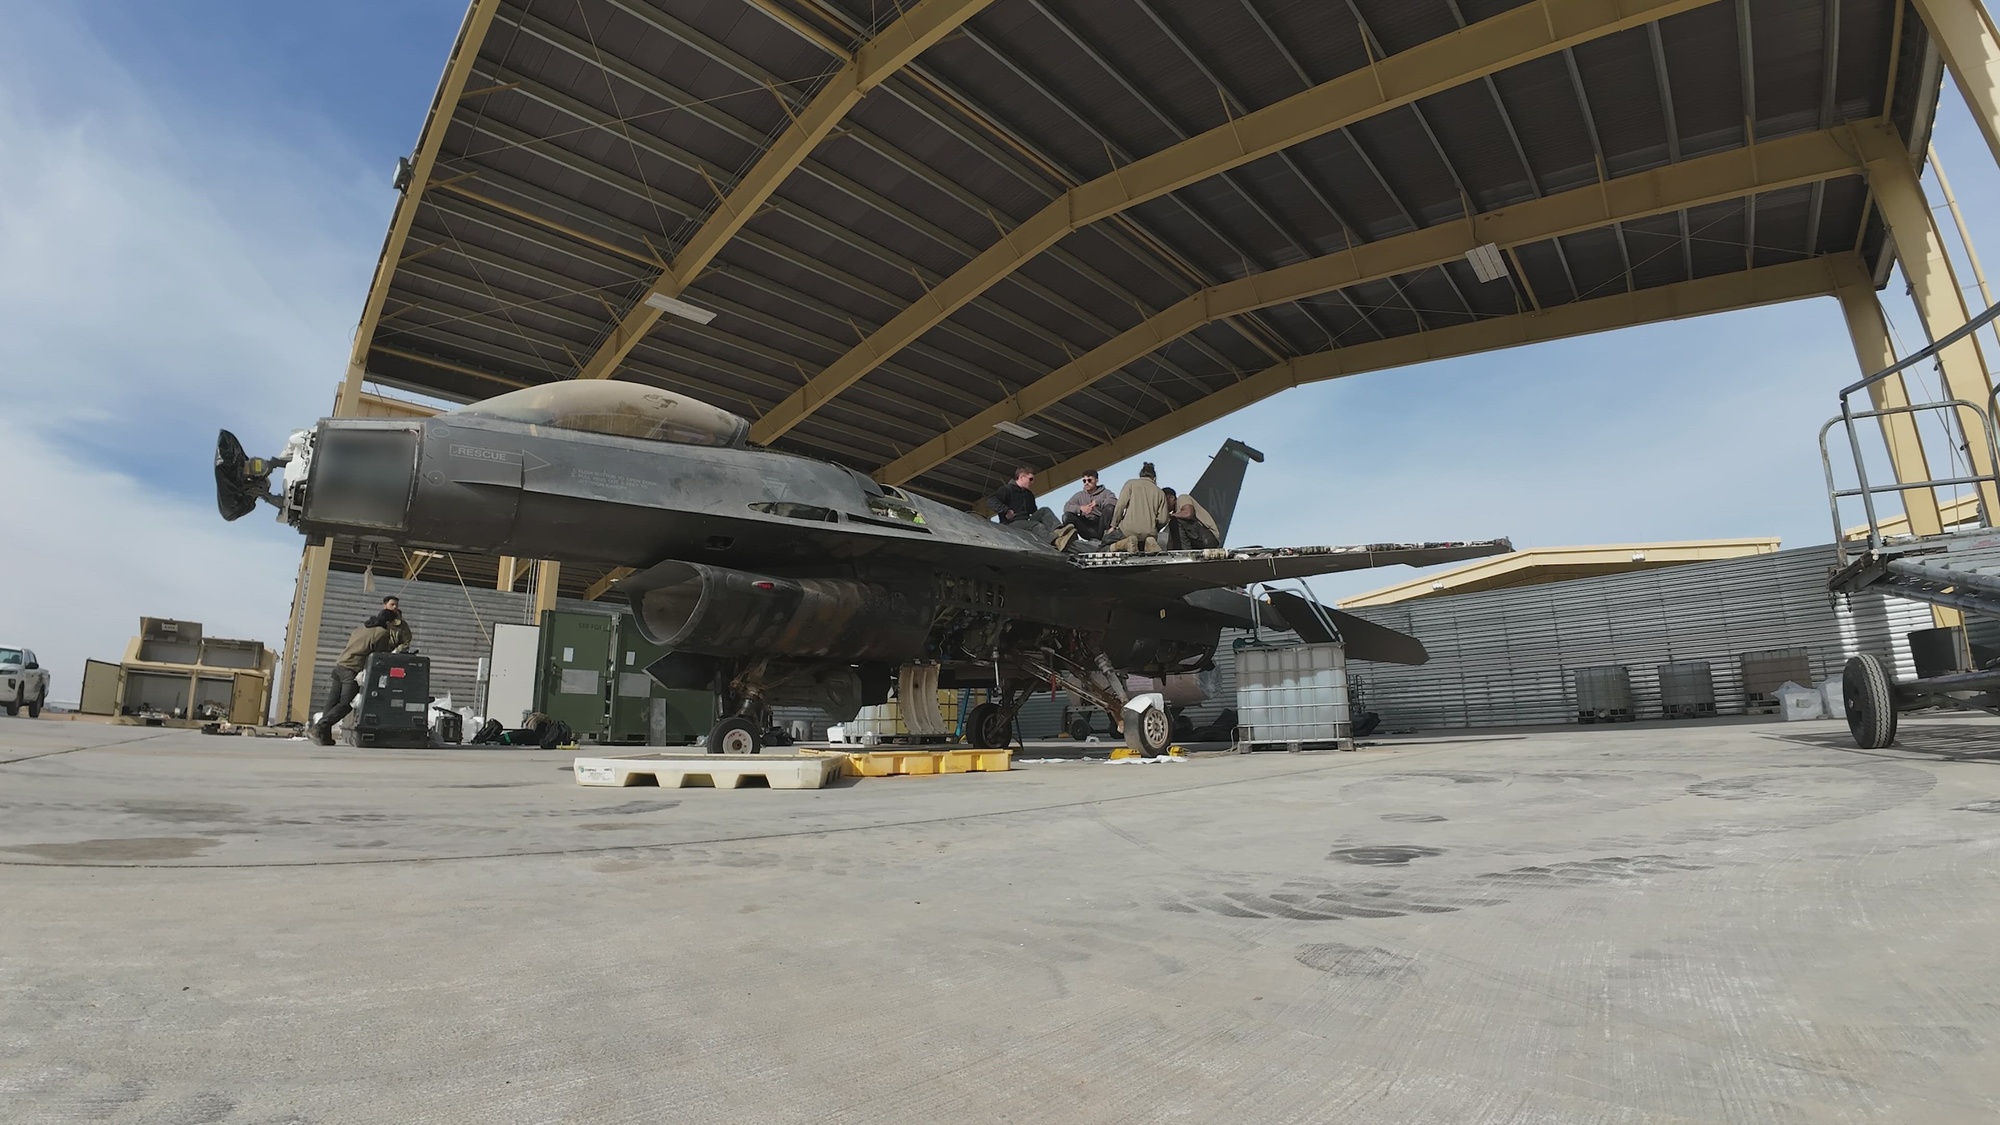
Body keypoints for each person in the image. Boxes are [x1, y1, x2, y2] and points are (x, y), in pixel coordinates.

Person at [310, 612, 401, 746]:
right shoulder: (381, 632)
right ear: (388, 622)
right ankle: (319, 727)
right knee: (346, 704)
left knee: (332, 702)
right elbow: (379, 656)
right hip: (351, 670)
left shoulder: (362, 627)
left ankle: (324, 736)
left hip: (340, 666)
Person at [1108, 462, 1169, 553]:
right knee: (1142, 545)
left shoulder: (1131, 484)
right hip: (1149, 533)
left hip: (1127, 531)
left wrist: (1113, 525)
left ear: (1140, 475)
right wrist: (1154, 528)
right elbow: (1163, 519)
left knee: (1104, 545)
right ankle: (1148, 543)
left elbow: (1120, 506)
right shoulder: (1160, 492)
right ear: (1154, 478)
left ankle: (1125, 543)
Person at [1060, 470, 1115, 542]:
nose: (1086, 483)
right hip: (1086, 526)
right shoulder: (1079, 495)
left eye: (1089, 480)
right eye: (1084, 481)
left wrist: (1098, 502)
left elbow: (1114, 502)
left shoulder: (1106, 492)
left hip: (1101, 525)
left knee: (1110, 508)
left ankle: (1107, 536)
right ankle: (1072, 541)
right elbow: (1066, 507)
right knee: (1066, 516)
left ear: (1096, 481)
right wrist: (1080, 508)